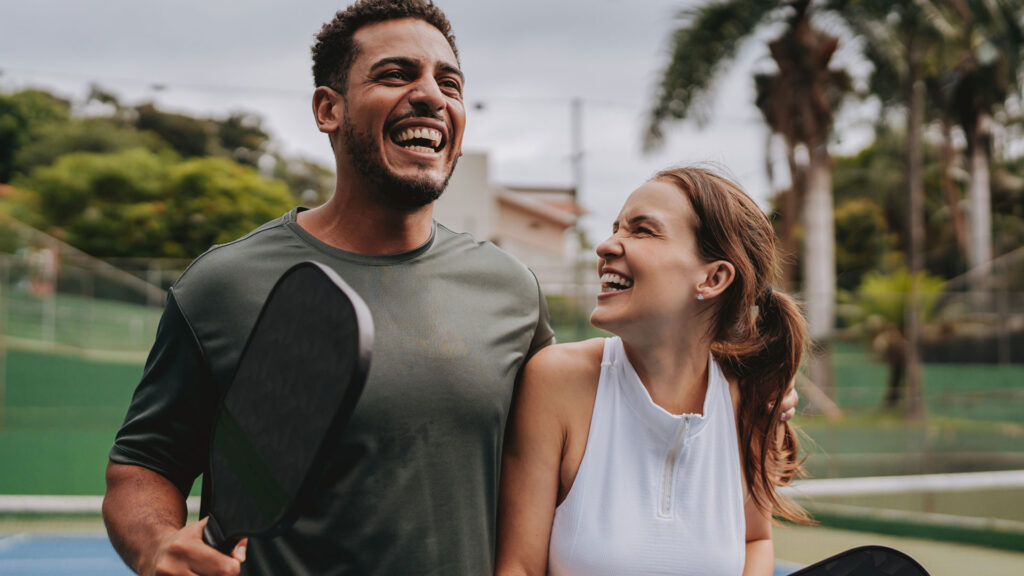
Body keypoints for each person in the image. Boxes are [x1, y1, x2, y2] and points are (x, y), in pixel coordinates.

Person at [103, 2, 798, 575]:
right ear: (328, 108)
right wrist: (158, 544)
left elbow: (604, 415)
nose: (431, 95)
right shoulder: (223, 286)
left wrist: (747, 377)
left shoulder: (509, 291)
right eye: (396, 74)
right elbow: (142, 466)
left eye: (450, 82)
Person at [495, 166, 811, 576]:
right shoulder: (556, 380)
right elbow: (518, 567)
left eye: (642, 231)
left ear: (713, 277)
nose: (606, 245)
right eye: (616, 228)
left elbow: (755, 539)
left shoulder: (750, 398)